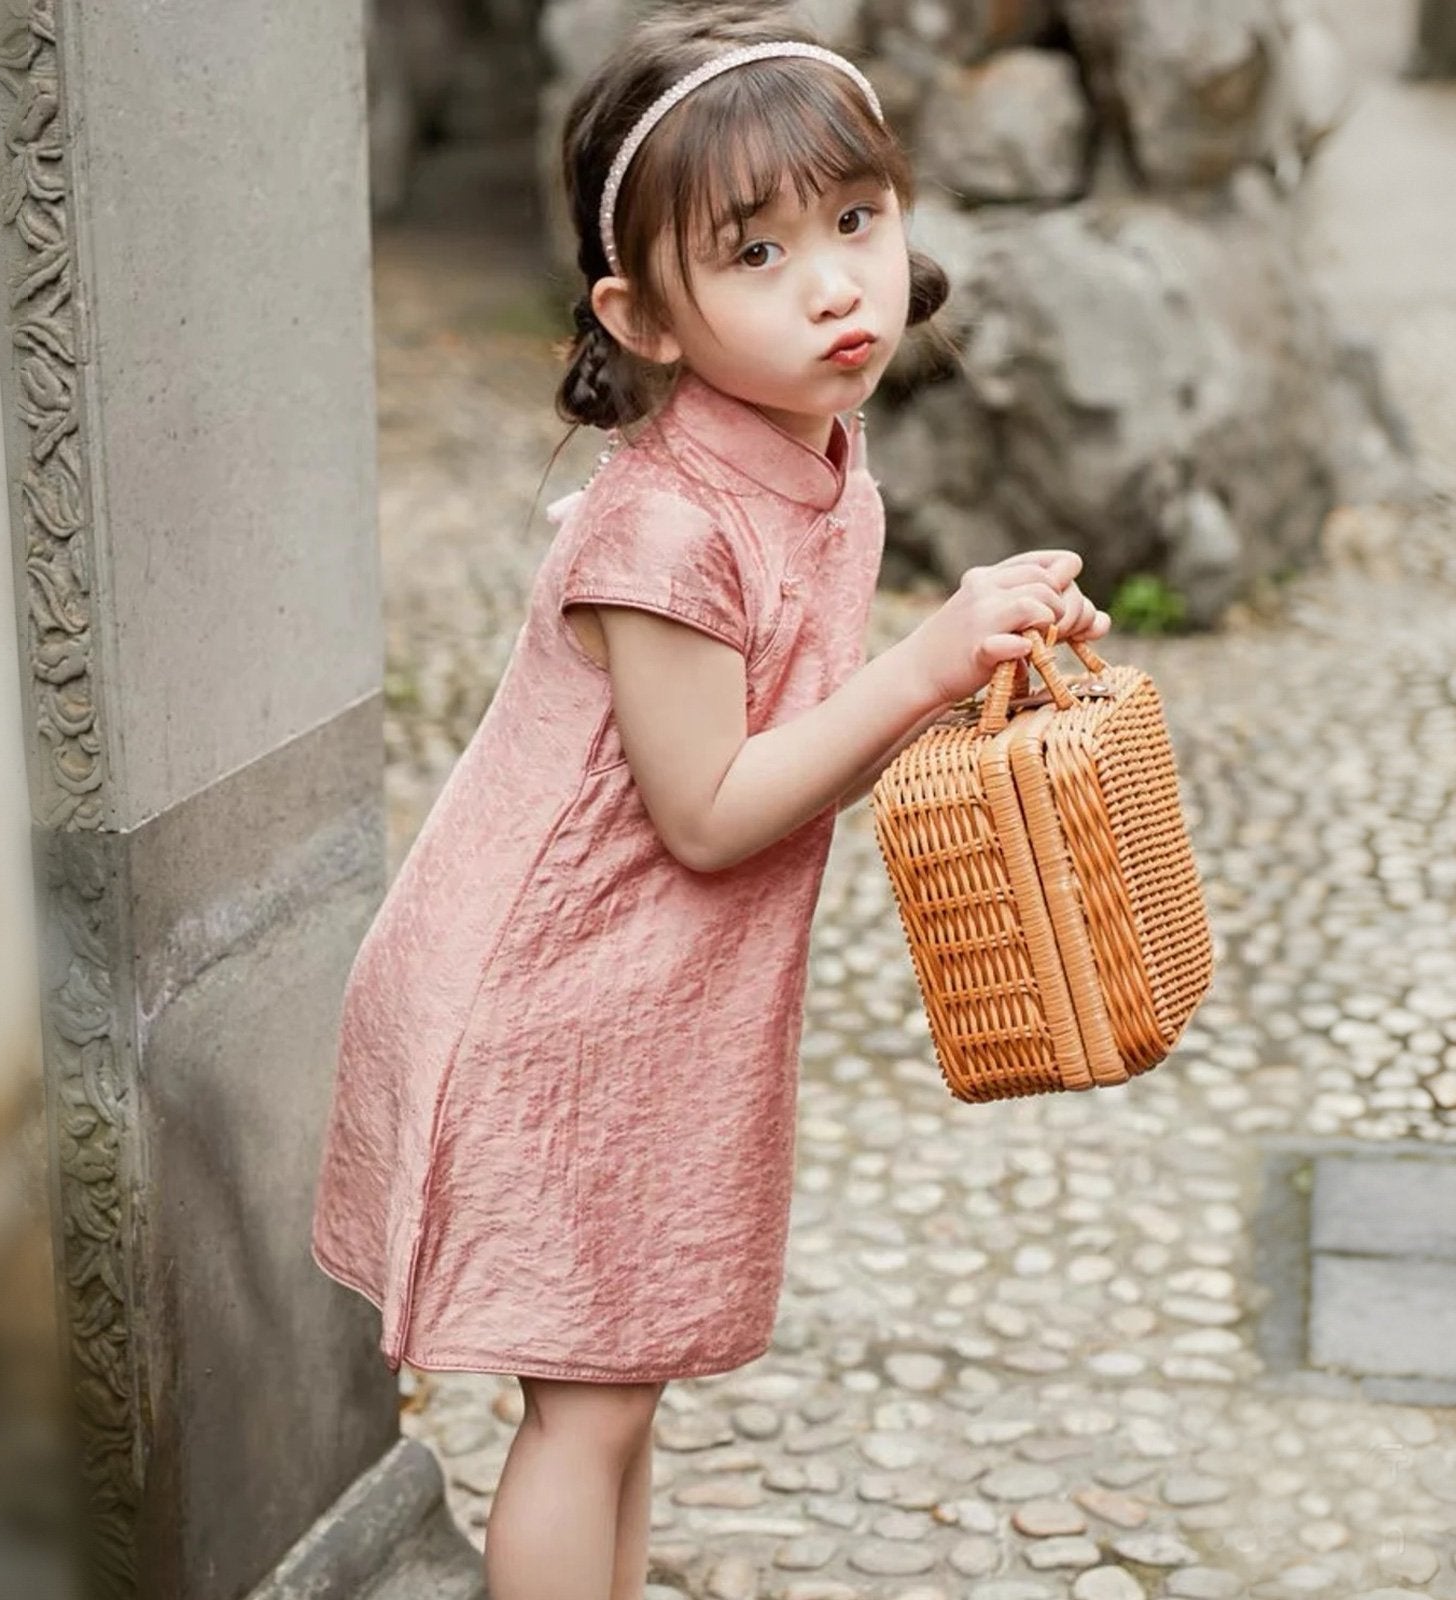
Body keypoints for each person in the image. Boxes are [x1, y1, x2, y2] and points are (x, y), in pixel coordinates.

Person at [310, 5, 1110, 1597]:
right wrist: (927, 667)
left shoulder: (822, 451)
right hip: (547, 1000)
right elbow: (712, 811)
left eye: (857, 221)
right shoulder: (663, 534)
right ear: (643, 316)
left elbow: (799, 733)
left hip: (657, 998)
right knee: (587, 1411)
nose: (833, 283)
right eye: (754, 252)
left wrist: (975, 648)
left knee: (627, 1375)